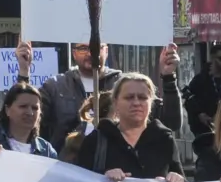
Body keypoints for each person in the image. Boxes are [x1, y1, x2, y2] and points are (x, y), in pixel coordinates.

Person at [40, 42, 182, 147]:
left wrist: (169, 77)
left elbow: (171, 122)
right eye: (83, 48)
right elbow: (28, 123)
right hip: (67, 171)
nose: (91, 53)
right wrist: (24, 73)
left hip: (116, 173)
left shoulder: (125, 85)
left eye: (97, 47)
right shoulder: (55, 86)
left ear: (106, 51)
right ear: (73, 53)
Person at [183, 46, 221, 150]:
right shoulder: (200, 80)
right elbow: (189, 100)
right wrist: (200, 114)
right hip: (204, 129)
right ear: (213, 58)